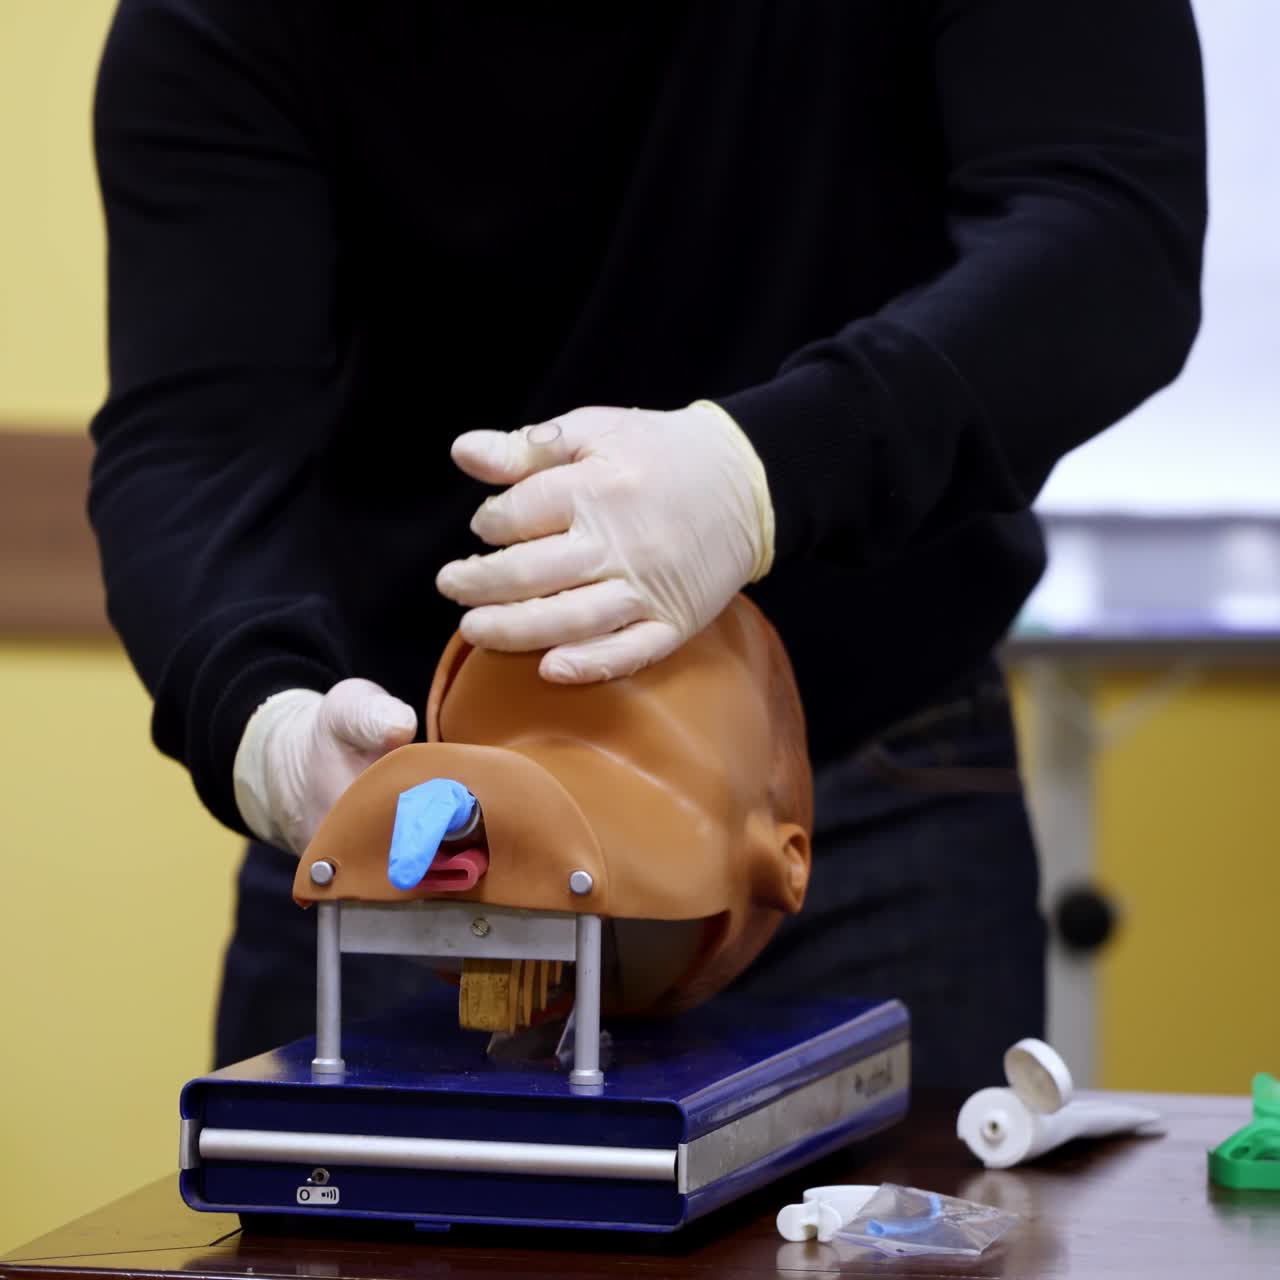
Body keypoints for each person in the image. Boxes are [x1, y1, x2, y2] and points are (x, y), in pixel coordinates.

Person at [88, 0, 1206, 1088]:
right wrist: (264, 728)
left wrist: (765, 469)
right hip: (410, 823)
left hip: (862, 785)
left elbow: (1107, 227)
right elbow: (195, 436)